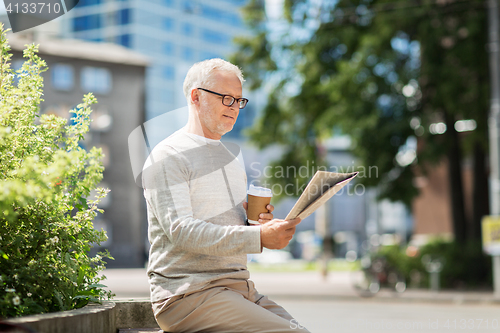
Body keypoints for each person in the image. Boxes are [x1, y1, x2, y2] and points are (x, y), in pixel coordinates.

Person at [142, 58, 309, 333]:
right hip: (188, 294)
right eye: (226, 99)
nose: (234, 108)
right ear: (196, 96)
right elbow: (181, 231)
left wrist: (258, 226)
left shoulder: (231, 159)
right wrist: (258, 238)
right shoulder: (168, 156)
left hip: (240, 289)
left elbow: (226, 231)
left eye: (239, 101)